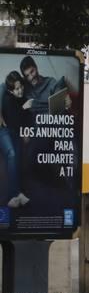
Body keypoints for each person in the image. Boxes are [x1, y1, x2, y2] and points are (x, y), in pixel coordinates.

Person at [2, 71, 29, 208]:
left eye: (21, 87)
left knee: (18, 157)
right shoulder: (6, 98)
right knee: (12, 154)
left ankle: (19, 193)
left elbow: (23, 121)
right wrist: (24, 108)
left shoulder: (22, 97)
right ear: (10, 91)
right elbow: (13, 121)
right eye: (17, 89)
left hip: (14, 131)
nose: (20, 91)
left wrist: (26, 132)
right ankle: (13, 195)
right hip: (3, 130)